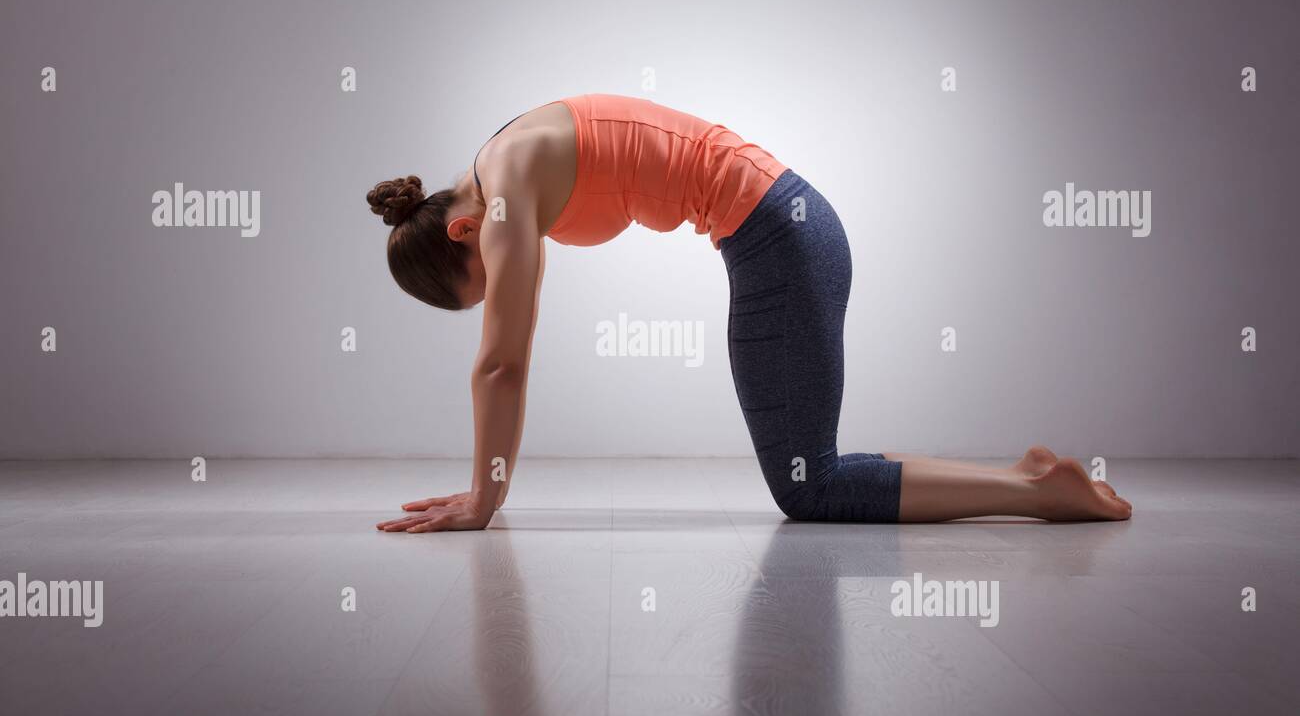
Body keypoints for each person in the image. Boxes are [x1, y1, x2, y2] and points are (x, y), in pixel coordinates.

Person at [368, 94, 1132, 532]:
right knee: (814, 472)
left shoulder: (503, 191)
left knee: (811, 487)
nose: (503, 286)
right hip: (788, 233)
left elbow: (502, 363)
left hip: (780, 243)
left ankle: (1037, 494)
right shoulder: (503, 156)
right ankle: (1027, 479)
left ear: (464, 232)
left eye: (486, 284)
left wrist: (483, 499)